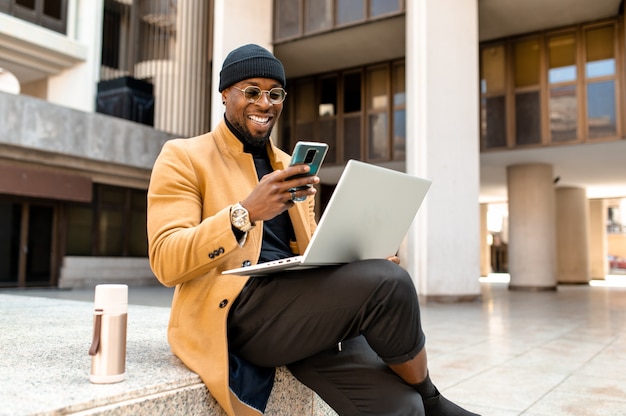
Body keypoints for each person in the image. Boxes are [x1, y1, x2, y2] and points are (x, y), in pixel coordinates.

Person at [147, 44, 479, 416]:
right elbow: (166, 260)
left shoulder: (290, 165)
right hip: (240, 313)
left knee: (401, 407)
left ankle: (423, 404)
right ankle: (434, 399)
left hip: (299, 302)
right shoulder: (183, 157)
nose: (265, 103)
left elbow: (313, 246)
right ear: (225, 94)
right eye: (252, 91)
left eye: (275, 94)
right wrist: (243, 214)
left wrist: (359, 259)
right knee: (390, 282)